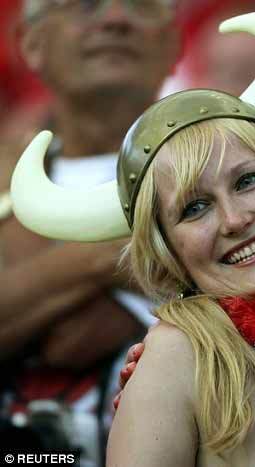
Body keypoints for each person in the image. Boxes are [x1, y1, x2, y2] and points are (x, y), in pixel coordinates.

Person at [10, 11, 255, 467]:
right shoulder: (176, 359)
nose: (235, 220)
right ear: (168, 249)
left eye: (248, 181)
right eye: (194, 208)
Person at [0, 0, 180, 462]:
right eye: (85, 5)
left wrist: (33, 285)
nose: (116, 19)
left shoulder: (232, 163)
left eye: (142, 5)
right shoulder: (4, 175)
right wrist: (105, 260)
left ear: (173, 43)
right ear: (32, 44)